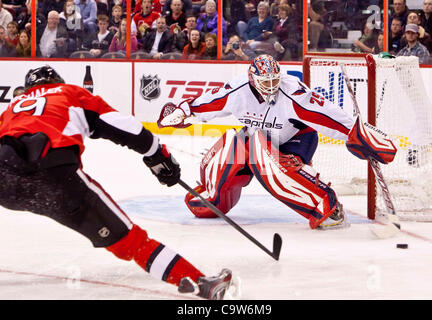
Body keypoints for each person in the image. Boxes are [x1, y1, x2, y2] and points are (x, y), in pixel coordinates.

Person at [0, 65, 234, 300]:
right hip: (55, 175)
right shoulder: (69, 92)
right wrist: (157, 155)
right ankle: (200, 283)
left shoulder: (10, 109)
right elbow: (125, 128)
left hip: (4, 178)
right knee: (131, 242)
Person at [158, 54, 397, 230]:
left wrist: (357, 134)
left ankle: (327, 205)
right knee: (233, 146)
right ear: (253, 80)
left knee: (271, 162)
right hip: (256, 138)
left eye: (274, 80)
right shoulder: (237, 91)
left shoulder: (294, 94)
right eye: (266, 82)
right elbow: (210, 103)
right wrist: (184, 110)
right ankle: (214, 197)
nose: (271, 86)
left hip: (296, 140)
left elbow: (329, 116)